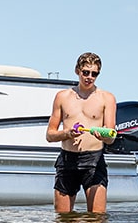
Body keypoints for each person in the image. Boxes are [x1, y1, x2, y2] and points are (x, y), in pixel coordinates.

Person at [47, 51, 116, 213]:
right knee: (64, 221)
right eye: (86, 72)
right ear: (77, 70)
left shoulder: (107, 98)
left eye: (94, 74)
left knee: (96, 221)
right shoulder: (62, 97)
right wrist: (68, 133)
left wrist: (105, 137)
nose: (89, 77)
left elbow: (111, 137)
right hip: (67, 160)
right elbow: (50, 135)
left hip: (94, 160)